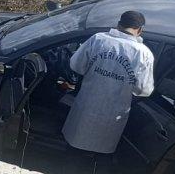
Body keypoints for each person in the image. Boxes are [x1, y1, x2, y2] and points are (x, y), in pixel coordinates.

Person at [62, 10, 156, 155]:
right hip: (112, 117)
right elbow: (143, 90)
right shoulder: (144, 54)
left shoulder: (98, 39)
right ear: (140, 30)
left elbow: (76, 65)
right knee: (97, 155)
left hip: (86, 108)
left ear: (118, 25)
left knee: (73, 149)